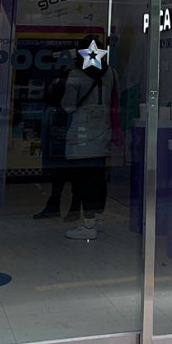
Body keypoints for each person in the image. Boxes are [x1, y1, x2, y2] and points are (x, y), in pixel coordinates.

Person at [61, 36, 122, 241]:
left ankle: (88, 225)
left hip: (81, 135)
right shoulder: (112, 73)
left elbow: (68, 105)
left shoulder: (75, 75)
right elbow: (116, 102)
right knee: (98, 178)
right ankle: (97, 218)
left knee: (83, 180)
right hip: (103, 133)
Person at [32, 69, 74, 219]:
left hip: (60, 133)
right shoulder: (68, 84)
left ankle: (60, 206)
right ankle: (72, 208)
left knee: (60, 173)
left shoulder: (58, 83)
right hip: (65, 133)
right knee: (69, 172)